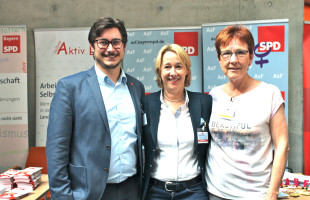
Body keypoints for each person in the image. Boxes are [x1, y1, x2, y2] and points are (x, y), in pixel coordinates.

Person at [46, 17, 145, 200]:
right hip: (88, 192)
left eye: (116, 42)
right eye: (103, 42)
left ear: (124, 46)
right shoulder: (70, 88)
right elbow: (56, 150)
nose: (110, 49)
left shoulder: (136, 87)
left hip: (132, 190)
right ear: (92, 47)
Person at [205, 25, 289, 200]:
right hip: (215, 193)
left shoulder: (270, 94)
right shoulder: (214, 95)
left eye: (240, 53)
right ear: (219, 59)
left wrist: (272, 193)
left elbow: (282, 146)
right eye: (226, 53)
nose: (233, 60)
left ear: (251, 57)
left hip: (256, 195)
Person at [141, 44, 213, 200]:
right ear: (159, 71)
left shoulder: (204, 103)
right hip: (155, 192)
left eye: (179, 66)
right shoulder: (146, 104)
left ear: (187, 70)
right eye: (167, 67)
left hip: (194, 191)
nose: (173, 72)